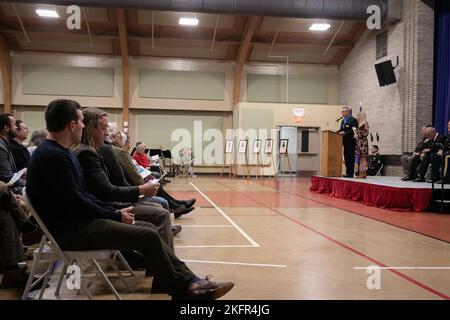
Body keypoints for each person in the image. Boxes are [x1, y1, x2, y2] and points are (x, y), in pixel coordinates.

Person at [26, 99, 234, 299]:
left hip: (79, 223)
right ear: (71, 125)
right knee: (148, 235)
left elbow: (82, 196)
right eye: (80, 121)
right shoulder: (53, 156)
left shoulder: (59, 153)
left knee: (150, 230)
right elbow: (77, 203)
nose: (82, 125)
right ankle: (184, 290)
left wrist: (115, 213)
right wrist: (115, 214)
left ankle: (190, 282)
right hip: (72, 231)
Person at [0, 113, 25, 194]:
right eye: (14, 125)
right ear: (7, 128)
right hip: (6, 191)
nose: (16, 127)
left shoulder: (5, 143)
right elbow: (8, 177)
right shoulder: (1, 147)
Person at [337, 107, 358, 178]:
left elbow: (354, 131)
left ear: (348, 112)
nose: (342, 113)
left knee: (350, 158)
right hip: (345, 142)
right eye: (342, 112)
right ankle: (347, 172)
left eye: (343, 112)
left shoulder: (353, 120)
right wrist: (335, 132)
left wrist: (345, 133)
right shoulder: (343, 121)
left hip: (351, 142)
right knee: (346, 158)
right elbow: (341, 129)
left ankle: (350, 173)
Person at [354, 112, 369, 179]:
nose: (357, 116)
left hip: (363, 143)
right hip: (359, 143)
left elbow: (365, 133)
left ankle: (363, 173)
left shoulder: (365, 123)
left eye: (358, 115)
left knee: (363, 158)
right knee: (360, 158)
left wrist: (358, 135)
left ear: (362, 116)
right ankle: (360, 173)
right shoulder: (359, 124)